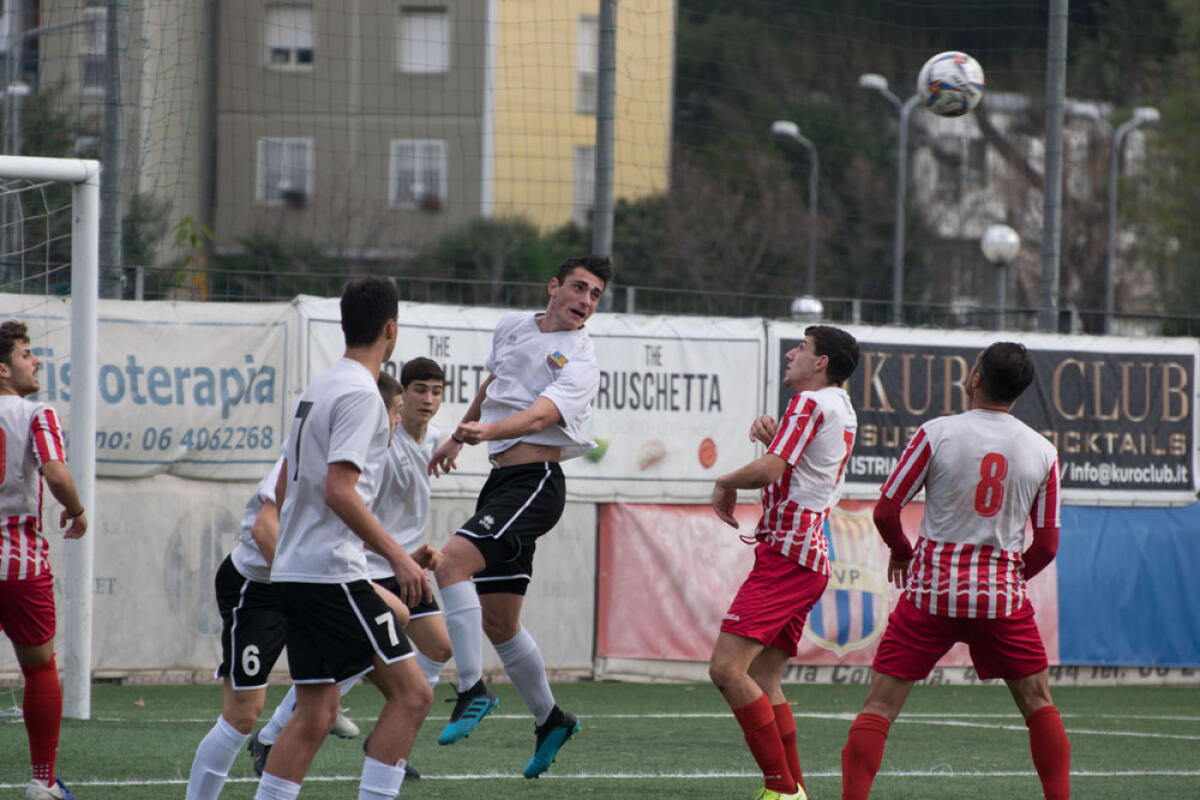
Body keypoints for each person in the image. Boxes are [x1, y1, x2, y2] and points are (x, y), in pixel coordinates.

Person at [840, 342, 1070, 800]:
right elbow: (1046, 546)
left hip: (931, 593)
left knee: (879, 707)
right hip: (1001, 600)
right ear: (1020, 391)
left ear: (975, 378)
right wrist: (1005, 578)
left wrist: (902, 553)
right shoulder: (1043, 452)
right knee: (1038, 706)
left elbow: (886, 511)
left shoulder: (937, 433)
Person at [427, 255, 611, 778]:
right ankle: (551, 719)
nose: (585, 301)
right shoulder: (512, 327)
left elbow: (539, 416)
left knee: (449, 565)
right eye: (579, 288)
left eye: (595, 295)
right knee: (500, 622)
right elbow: (494, 388)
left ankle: (471, 690)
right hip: (501, 482)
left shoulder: (581, 358)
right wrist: (460, 433)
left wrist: (488, 432)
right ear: (553, 287)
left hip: (536, 484)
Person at [254, 276, 433, 800]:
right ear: (391, 330)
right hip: (330, 572)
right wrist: (399, 556)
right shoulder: (361, 395)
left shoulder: (320, 387)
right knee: (414, 695)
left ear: (343, 326)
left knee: (316, 713)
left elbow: (294, 483)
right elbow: (339, 490)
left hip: (295, 569)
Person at [708, 325, 860, 800]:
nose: (791, 353)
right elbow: (801, 469)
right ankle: (795, 789)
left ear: (821, 364)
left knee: (727, 670)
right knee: (763, 677)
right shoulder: (840, 405)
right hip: (808, 554)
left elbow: (773, 470)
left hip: (789, 557)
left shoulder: (812, 403)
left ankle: (780, 788)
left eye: (802, 348)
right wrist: (778, 441)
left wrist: (724, 481)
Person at [185, 455, 361, 799]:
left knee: (393, 618)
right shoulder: (305, 455)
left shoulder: (367, 460)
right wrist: (297, 589)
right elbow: (264, 529)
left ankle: (307, 711)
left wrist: (399, 559)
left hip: (311, 582)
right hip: (259, 588)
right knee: (242, 715)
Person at [0, 320, 88, 800]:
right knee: (37, 668)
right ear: (2, 371)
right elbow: (55, 472)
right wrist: (77, 512)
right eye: (26, 354)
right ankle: (42, 780)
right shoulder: (35, 413)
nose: (36, 361)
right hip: (19, 565)